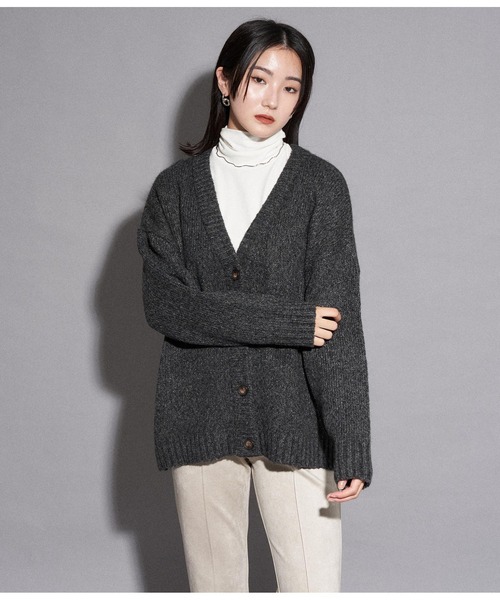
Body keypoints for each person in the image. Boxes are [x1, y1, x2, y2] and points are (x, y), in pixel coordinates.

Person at [137, 19, 372, 593]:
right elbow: (167, 308)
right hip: (199, 417)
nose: (273, 100)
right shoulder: (174, 190)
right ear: (225, 81)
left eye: (290, 87)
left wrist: (351, 442)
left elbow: (340, 327)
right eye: (259, 79)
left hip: (297, 420)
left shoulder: (320, 187)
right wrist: (291, 321)